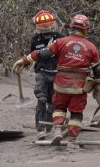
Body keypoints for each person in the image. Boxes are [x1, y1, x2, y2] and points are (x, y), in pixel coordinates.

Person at [13, 14, 100, 149]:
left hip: (60, 84)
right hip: (79, 87)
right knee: (76, 113)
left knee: (59, 108)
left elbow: (42, 53)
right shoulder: (92, 47)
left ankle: (57, 130)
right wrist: (97, 88)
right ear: (86, 29)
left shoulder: (60, 41)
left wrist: (24, 60)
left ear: (72, 27)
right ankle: (71, 141)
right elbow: (98, 71)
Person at [30, 10, 63, 140]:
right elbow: (32, 56)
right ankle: (40, 129)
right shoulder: (35, 40)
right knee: (41, 100)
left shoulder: (59, 37)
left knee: (54, 102)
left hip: (56, 73)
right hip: (42, 73)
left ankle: (49, 125)